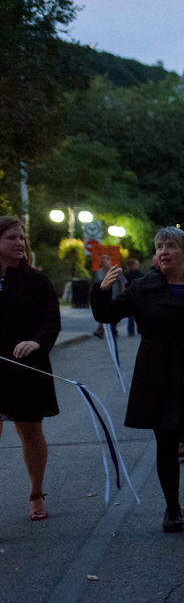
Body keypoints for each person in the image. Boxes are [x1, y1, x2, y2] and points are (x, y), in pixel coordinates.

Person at [92, 227, 184, 536]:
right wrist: (102, 290)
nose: (164, 251)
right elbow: (106, 315)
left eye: (171, 246)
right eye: (159, 246)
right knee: (167, 444)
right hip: (158, 374)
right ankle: (172, 508)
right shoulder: (141, 287)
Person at [0, 216, 61, 521]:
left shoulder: (37, 281)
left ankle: (36, 493)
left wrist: (37, 343)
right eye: (11, 238)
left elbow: (51, 322)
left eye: (21, 237)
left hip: (26, 368)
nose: (19, 243)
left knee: (31, 432)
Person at [92, 253, 126, 340]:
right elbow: (96, 284)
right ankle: (100, 330)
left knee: (114, 313)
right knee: (102, 311)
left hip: (115, 295)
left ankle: (113, 329)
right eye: (101, 262)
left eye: (104, 261)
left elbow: (122, 283)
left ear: (109, 261)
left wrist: (122, 294)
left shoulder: (115, 270)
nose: (103, 263)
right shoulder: (99, 272)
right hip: (103, 296)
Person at [124, 258, 144, 336]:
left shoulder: (140, 274)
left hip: (137, 296)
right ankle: (132, 330)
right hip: (132, 296)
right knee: (131, 316)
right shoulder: (128, 275)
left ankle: (136, 330)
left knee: (138, 315)